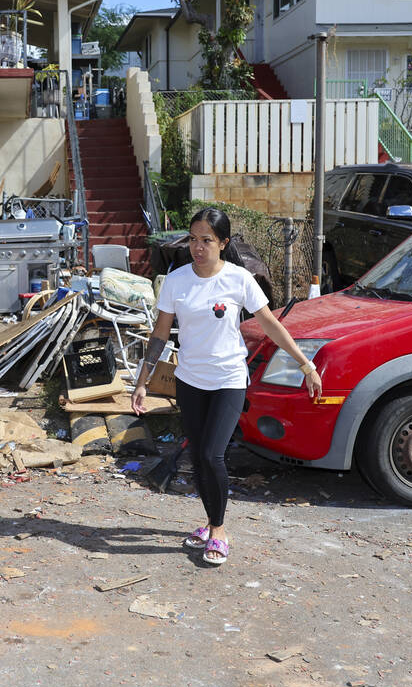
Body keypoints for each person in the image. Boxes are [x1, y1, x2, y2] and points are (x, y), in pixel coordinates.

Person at [130, 208, 322, 565]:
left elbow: (270, 325)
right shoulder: (176, 280)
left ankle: (218, 531)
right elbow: (159, 335)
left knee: (211, 455)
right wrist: (142, 381)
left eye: (206, 240)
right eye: (192, 239)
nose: (197, 248)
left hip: (229, 380)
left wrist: (305, 363)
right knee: (199, 456)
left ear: (223, 243)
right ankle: (209, 522)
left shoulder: (238, 279)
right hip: (190, 381)